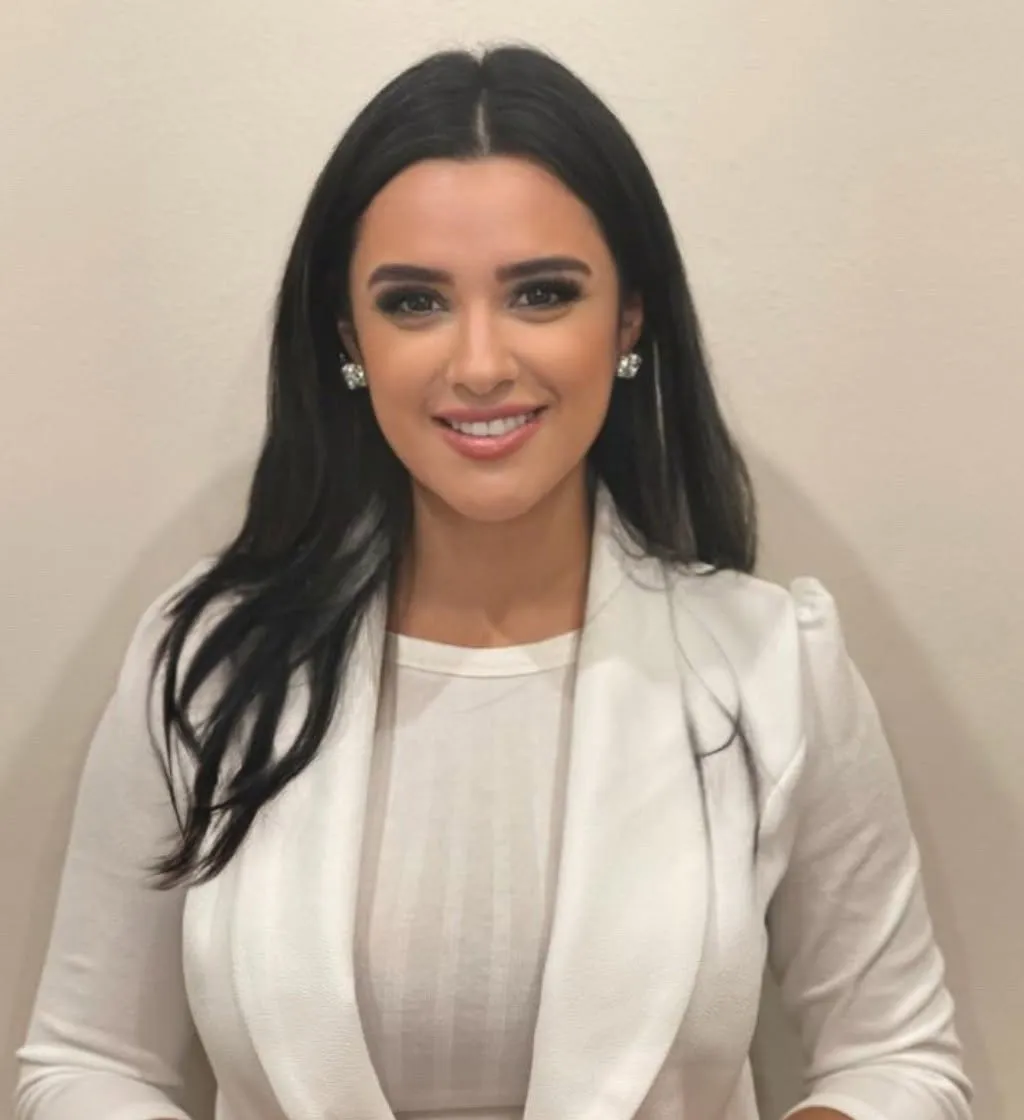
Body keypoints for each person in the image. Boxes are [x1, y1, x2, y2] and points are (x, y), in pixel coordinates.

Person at [15, 44, 971, 1120]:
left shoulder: (772, 665)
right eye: (415, 302)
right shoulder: (208, 664)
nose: (478, 365)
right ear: (349, 335)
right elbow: (86, 1061)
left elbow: (898, 1059)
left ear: (629, 317)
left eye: (542, 294)